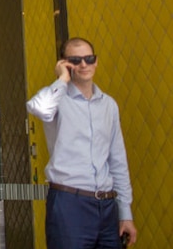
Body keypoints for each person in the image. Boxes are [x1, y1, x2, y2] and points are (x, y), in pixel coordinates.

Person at [26, 38, 137, 248]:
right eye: (75, 60)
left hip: (106, 205)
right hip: (69, 203)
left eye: (89, 58)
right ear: (65, 64)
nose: (83, 65)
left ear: (96, 62)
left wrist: (125, 213)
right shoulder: (57, 99)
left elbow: (118, 160)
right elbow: (38, 108)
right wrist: (62, 80)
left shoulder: (109, 105)